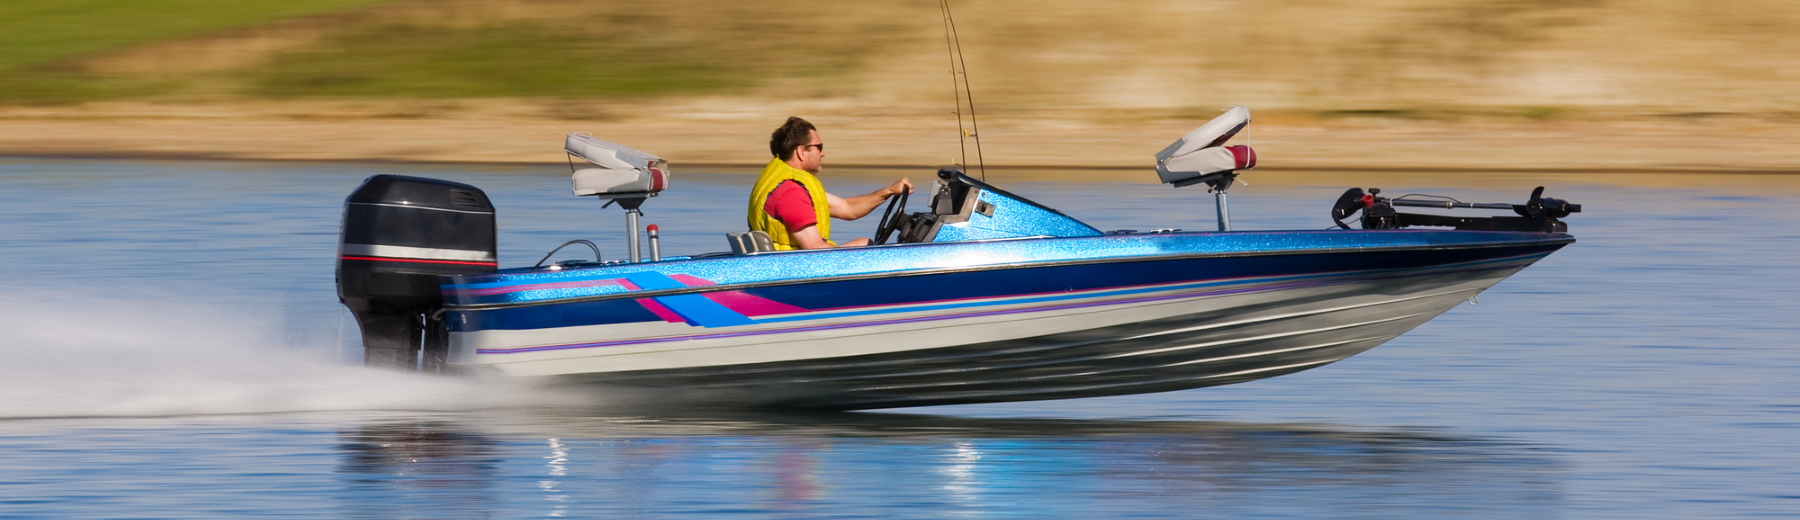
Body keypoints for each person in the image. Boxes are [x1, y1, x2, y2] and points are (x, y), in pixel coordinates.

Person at [747, 117, 913, 250]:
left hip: (791, 266)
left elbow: (848, 208)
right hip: (794, 273)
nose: (823, 153)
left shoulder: (785, 184)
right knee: (867, 246)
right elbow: (814, 248)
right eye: (819, 147)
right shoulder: (791, 193)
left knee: (865, 243)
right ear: (801, 152)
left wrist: (889, 191)